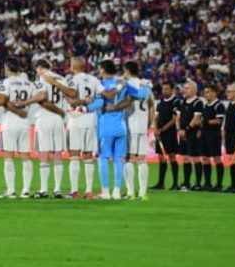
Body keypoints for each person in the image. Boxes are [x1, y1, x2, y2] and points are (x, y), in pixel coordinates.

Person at [80, 60, 150, 200]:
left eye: (99, 69)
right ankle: (117, 191)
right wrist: (148, 87)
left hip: (106, 126)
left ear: (103, 70)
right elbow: (139, 94)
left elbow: (100, 103)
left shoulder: (101, 85)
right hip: (121, 127)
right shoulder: (123, 84)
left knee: (103, 158)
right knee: (119, 159)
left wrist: (85, 108)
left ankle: (106, 192)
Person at [44, 57, 109, 199]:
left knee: (74, 156)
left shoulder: (71, 80)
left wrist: (59, 88)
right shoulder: (94, 80)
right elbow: (102, 97)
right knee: (87, 157)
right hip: (90, 121)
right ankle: (89, 191)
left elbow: (72, 97)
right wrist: (87, 100)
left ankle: (74, 191)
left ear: (72, 67)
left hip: (75, 120)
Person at [26, 59, 69, 198]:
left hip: (44, 117)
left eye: (37, 69)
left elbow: (42, 96)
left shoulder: (41, 78)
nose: (37, 71)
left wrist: (25, 102)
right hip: (58, 119)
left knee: (44, 154)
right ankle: (57, 190)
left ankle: (44, 189)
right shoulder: (61, 78)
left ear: (40, 68)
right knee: (57, 154)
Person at [0, 60, 35, 198]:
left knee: (8, 158)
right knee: (25, 157)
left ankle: (11, 190)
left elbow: (2, 101)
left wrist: (17, 111)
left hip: (10, 122)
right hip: (24, 123)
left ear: (7, 68)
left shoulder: (6, 83)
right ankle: (26, 190)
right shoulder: (28, 83)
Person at [119, 61, 153, 199]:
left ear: (127, 71)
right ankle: (143, 193)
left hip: (129, 125)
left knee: (127, 158)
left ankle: (130, 192)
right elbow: (151, 106)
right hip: (142, 125)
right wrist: (148, 125)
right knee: (142, 159)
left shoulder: (126, 85)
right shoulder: (146, 85)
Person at [175, 80, 205, 191]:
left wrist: (186, 130)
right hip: (182, 133)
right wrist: (179, 130)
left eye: (187, 88)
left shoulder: (198, 103)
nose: (185, 90)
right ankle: (186, 182)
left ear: (194, 90)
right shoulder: (182, 102)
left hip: (193, 134)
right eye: (184, 88)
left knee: (195, 158)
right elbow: (178, 117)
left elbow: (196, 118)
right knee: (185, 158)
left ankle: (197, 183)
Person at [151, 81, 180, 190]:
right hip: (160, 134)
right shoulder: (160, 103)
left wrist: (162, 129)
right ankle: (161, 183)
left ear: (172, 90)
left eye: (166, 89)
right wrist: (155, 129)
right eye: (163, 89)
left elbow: (174, 119)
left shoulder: (176, 102)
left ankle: (175, 183)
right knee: (161, 157)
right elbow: (155, 117)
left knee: (172, 156)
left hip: (170, 134)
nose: (164, 91)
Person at [200, 85, 225, 191]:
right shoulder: (206, 106)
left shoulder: (219, 105)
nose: (206, 94)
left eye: (208, 92)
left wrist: (205, 121)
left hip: (214, 135)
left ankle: (219, 184)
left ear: (215, 93)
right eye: (205, 92)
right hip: (205, 134)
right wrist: (201, 130)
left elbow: (219, 121)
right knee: (205, 158)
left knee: (217, 158)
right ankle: (208, 183)